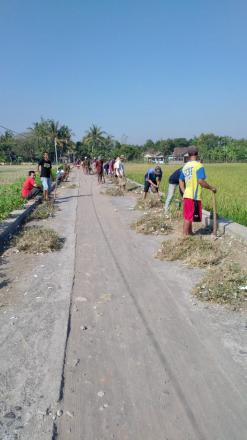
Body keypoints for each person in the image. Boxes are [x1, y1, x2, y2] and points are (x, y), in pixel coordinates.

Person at [179, 146, 216, 236]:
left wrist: (184, 191)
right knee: (188, 217)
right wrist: (211, 188)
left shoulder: (185, 166)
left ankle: (190, 232)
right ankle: (184, 236)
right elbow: (200, 181)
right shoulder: (199, 166)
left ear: (188, 155)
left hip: (187, 195)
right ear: (197, 154)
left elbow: (180, 179)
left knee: (189, 215)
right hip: (193, 196)